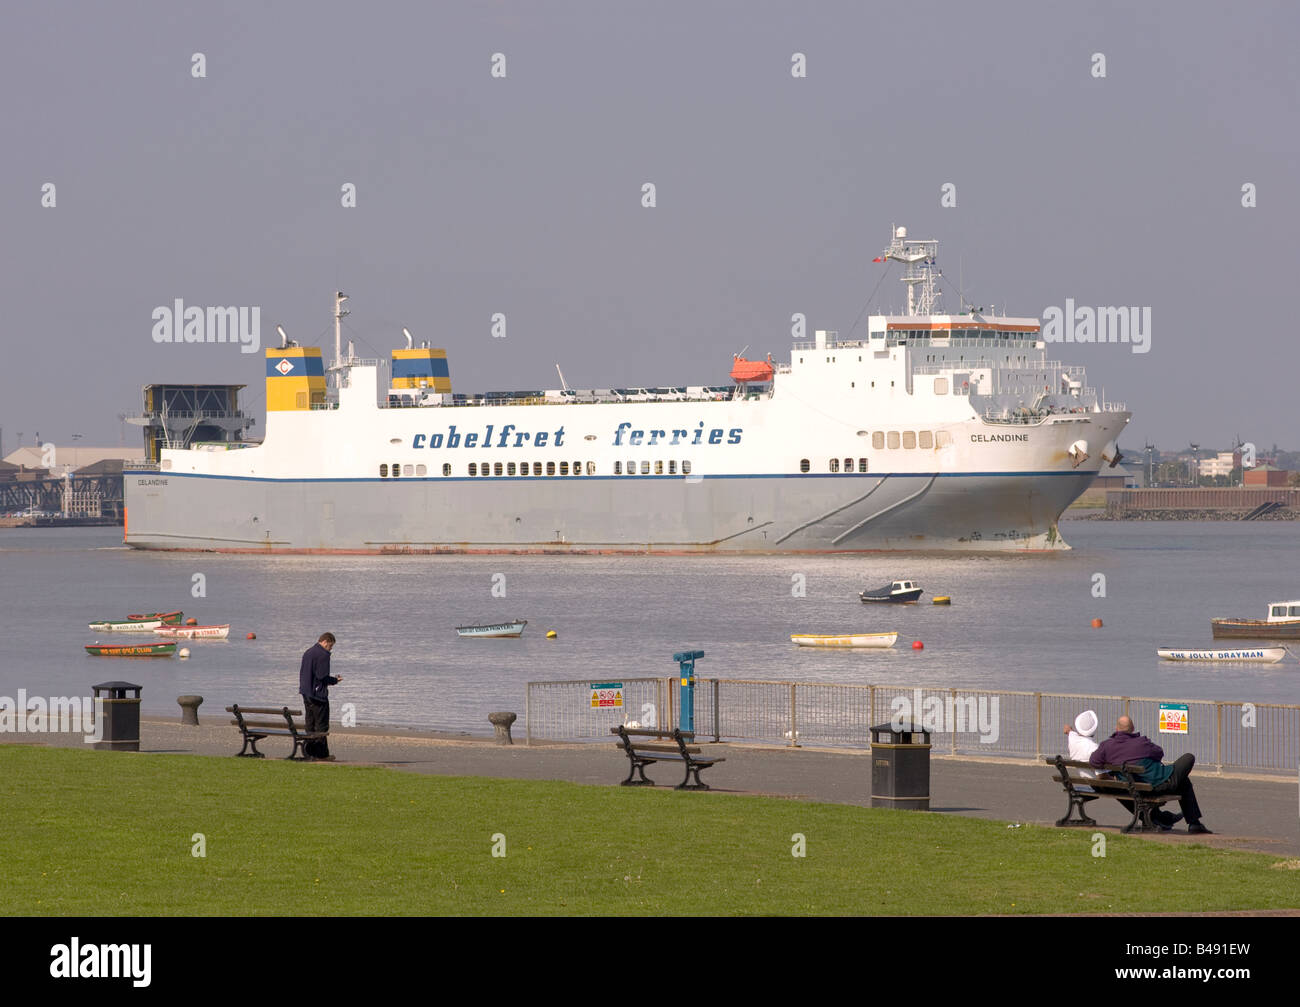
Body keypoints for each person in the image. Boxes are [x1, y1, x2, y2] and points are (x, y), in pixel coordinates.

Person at [1089, 715, 1211, 834]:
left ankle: (1182, 822)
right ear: (1132, 729)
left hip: (1133, 789)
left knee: (1184, 781)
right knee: (1189, 757)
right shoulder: (1142, 742)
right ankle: (1194, 823)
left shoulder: (1107, 745)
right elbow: (1159, 753)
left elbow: (1093, 761)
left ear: (1116, 728)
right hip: (1159, 785)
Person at [1063, 710, 1180, 830]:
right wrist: (1114, 778)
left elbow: (1069, 731)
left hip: (1090, 783)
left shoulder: (1073, 741)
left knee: (1126, 788)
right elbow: (1102, 777)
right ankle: (1156, 818)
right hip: (1102, 784)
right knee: (1130, 788)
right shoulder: (1093, 748)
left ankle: (1157, 818)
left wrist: (1069, 730)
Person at [299, 632, 341, 761]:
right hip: (318, 695)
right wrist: (335, 680)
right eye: (330, 646)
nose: (330, 649)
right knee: (321, 725)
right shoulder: (323, 654)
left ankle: (309, 751)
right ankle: (322, 754)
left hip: (306, 692)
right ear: (325, 642)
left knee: (310, 723)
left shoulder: (308, 652)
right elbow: (322, 676)